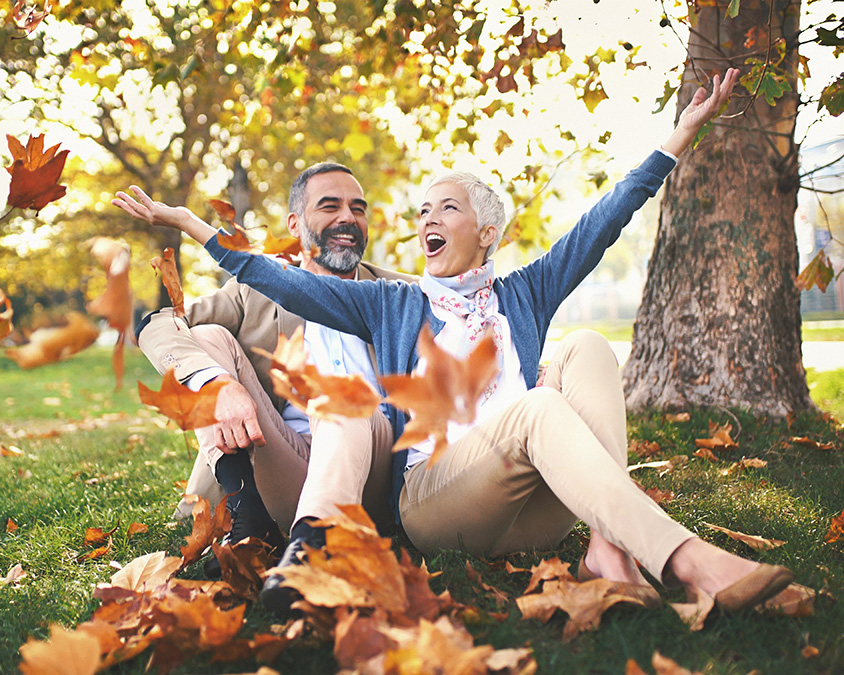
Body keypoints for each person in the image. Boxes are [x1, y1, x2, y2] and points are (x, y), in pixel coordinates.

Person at [132, 68, 797, 614]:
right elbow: (276, 280)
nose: (426, 218)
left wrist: (676, 139)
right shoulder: (389, 301)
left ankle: (608, 543)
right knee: (523, 407)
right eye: (422, 210)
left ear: (487, 231)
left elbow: (600, 224)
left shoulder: (523, 291)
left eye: (445, 207)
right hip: (418, 490)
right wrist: (193, 225)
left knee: (587, 344)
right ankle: (687, 559)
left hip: (522, 495)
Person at [113, 163, 412, 580]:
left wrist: (539, 372)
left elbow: (482, 326)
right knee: (208, 338)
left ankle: (298, 538)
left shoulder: (401, 292)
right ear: (295, 222)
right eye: (330, 206)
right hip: (280, 460)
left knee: (346, 404)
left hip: (368, 472)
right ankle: (246, 515)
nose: (348, 217)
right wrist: (217, 385)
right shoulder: (255, 290)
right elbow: (160, 323)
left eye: (357, 208)